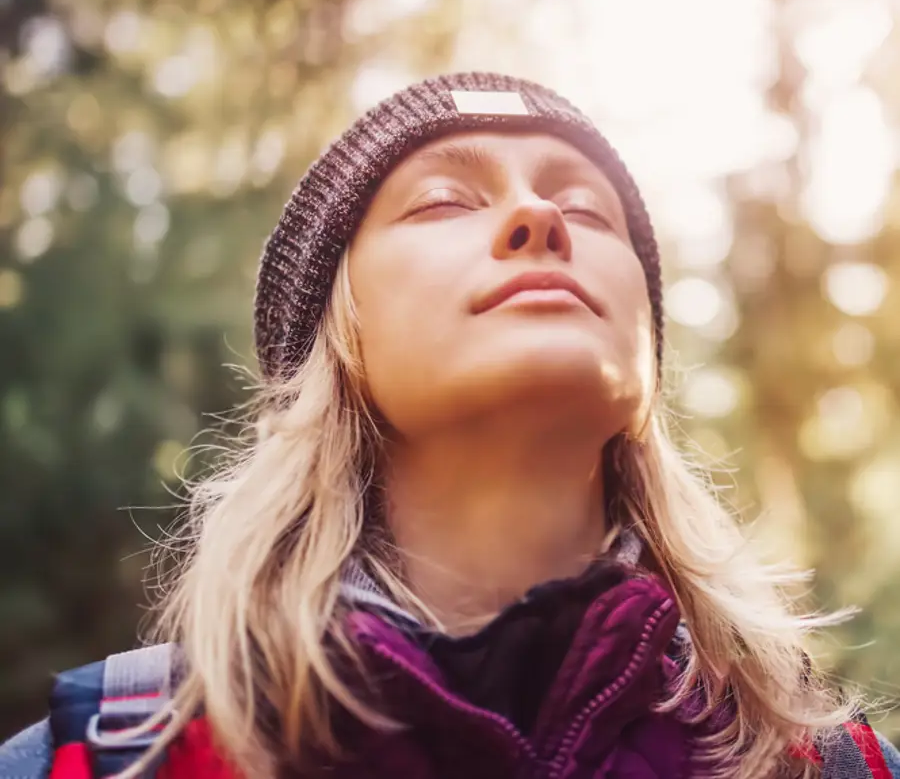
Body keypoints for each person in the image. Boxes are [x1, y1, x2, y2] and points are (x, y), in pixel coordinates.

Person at [2, 73, 898, 779]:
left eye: (588, 210)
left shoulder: (824, 766)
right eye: (440, 201)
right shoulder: (104, 763)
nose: (540, 218)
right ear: (335, 338)